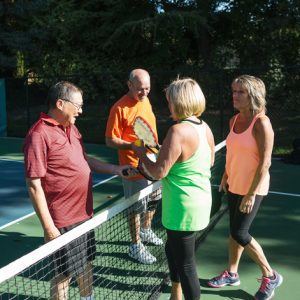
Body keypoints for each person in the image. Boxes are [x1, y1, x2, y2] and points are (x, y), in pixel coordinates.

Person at [23, 81, 132, 300]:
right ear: (61, 104)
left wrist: (116, 169)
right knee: (64, 274)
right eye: (78, 105)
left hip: (85, 213)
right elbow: (34, 185)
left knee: (86, 263)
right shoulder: (38, 135)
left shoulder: (71, 127)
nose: (81, 110)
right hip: (63, 219)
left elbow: (83, 160)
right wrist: (49, 228)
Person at [133, 78, 215, 300]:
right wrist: (166, 153)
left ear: (179, 101)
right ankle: (176, 293)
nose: (168, 105)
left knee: (187, 265)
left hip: (182, 207)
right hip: (200, 201)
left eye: (170, 100)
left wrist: (140, 152)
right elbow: (208, 161)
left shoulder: (178, 131)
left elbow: (158, 173)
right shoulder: (204, 127)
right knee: (172, 249)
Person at [207, 75, 283, 300]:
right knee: (234, 230)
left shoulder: (261, 123)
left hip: (253, 188)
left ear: (253, 96)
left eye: (240, 92)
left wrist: (250, 194)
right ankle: (232, 273)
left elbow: (265, 162)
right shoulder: (233, 120)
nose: (235, 95)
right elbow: (232, 152)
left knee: (240, 233)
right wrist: (225, 174)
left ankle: (270, 275)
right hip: (234, 183)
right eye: (233, 91)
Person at [105, 68, 163, 264]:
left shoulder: (145, 100)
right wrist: (131, 145)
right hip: (132, 166)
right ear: (129, 85)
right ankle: (135, 244)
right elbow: (110, 140)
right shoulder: (119, 108)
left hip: (153, 161)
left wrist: (154, 148)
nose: (144, 93)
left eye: (147, 88)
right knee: (136, 207)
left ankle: (146, 230)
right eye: (140, 89)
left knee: (154, 197)